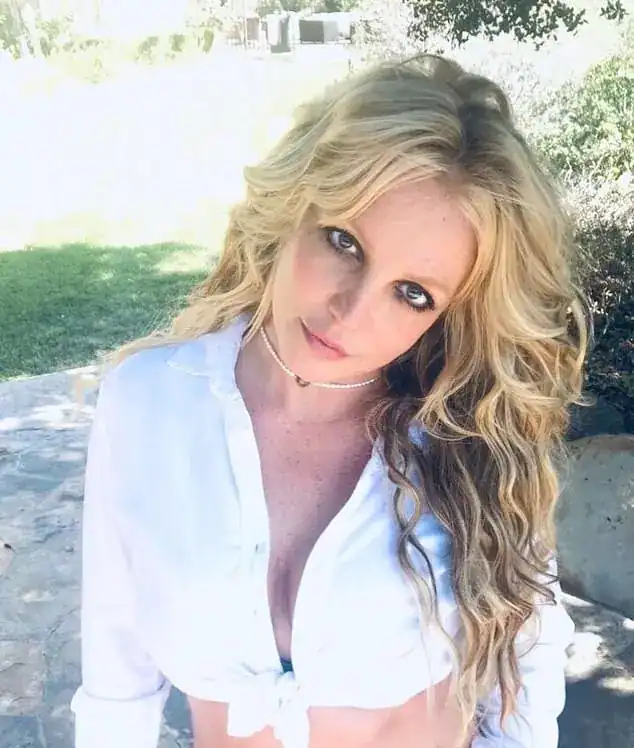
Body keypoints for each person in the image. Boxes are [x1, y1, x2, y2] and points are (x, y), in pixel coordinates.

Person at [70, 54, 589, 748]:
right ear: (294, 206)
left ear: (449, 315)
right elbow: (116, 679)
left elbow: (527, 659)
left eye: (413, 294)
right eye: (344, 242)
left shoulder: (468, 440)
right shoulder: (148, 403)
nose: (351, 311)